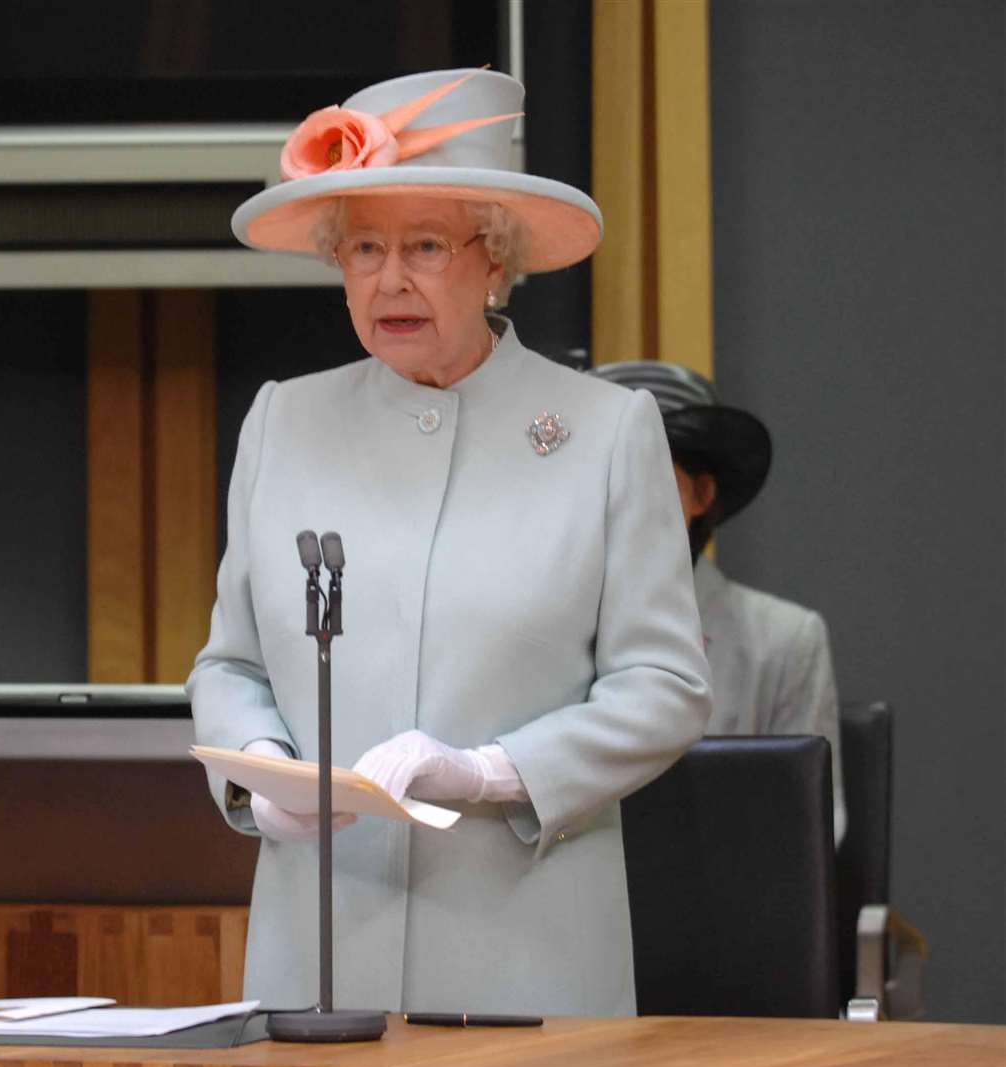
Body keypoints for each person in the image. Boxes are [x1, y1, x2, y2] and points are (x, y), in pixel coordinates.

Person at [190, 69, 710, 1017]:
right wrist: (260, 777)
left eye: (426, 246)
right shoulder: (281, 421)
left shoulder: (605, 431)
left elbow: (666, 687)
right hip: (319, 960)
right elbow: (230, 666)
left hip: (527, 959)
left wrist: (490, 772)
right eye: (364, 248)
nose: (390, 279)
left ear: (495, 260)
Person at [592, 360, 844, 843]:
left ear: (701, 494)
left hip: (726, 896)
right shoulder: (538, 627)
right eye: (598, 476)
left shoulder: (782, 639)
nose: (616, 498)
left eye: (644, 474)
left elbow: (815, 823)